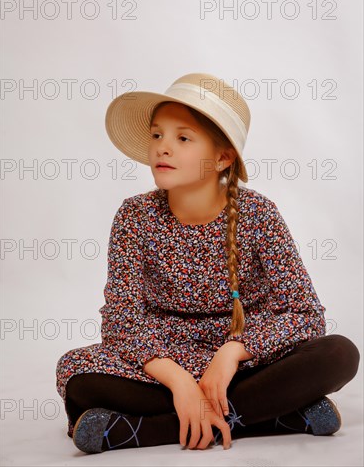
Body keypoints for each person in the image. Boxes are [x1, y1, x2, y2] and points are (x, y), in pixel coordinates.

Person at [56, 73, 360, 455]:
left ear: (222, 157)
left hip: (244, 364)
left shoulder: (258, 214)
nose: (163, 148)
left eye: (182, 138)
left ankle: (147, 431)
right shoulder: (134, 216)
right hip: (165, 359)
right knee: (78, 376)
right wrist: (180, 382)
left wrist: (233, 352)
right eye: (157, 135)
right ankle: (275, 415)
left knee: (338, 354)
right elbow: (121, 319)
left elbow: (304, 313)